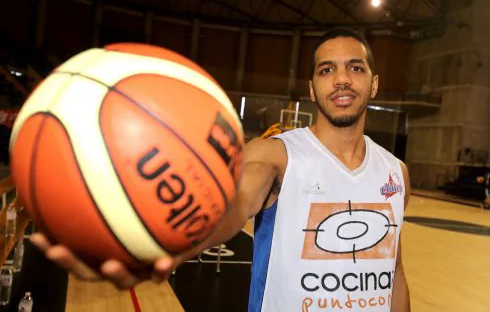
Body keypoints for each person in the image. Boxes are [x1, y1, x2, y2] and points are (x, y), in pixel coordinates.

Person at [30, 27, 411, 311]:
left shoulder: (396, 172)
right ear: (311, 89)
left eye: (355, 68)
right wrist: (163, 248)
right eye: (327, 70)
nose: (342, 79)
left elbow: (393, 273)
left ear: (373, 84)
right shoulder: (277, 156)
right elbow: (228, 208)